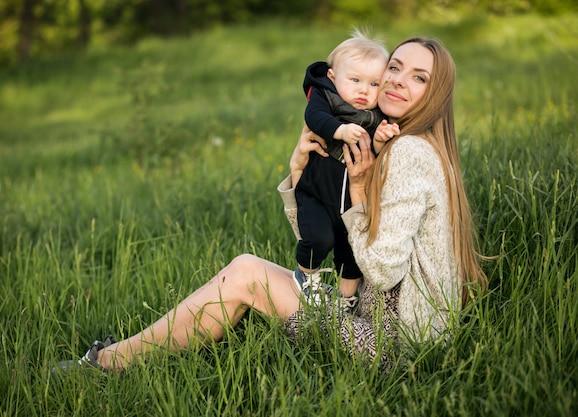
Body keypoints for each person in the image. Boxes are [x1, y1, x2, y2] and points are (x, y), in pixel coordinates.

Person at [54, 37, 488, 373]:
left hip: (391, 346)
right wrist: (299, 168)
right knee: (245, 272)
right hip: (376, 317)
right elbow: (325, 226)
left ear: (436, 94)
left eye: (418, 77)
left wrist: (357, 190)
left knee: (246, 272)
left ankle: (106, 364)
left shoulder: (409, 153)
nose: (395, 80)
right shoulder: (391, 142)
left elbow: (382, 269)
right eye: (394, 67)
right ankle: (116, 358)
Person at [295, 29, 400, 309]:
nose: (364, 91)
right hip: (317, 194)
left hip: (352, 206)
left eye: (374, 84)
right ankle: (307, 278)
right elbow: (313, 117)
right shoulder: (326, 97)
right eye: (355, 80)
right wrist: (339, 129)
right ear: (333, 77)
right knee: (319, 239)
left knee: (351, 253)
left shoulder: (379, 114)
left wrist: (379, 138)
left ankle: (346, 301)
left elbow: (374, 154)